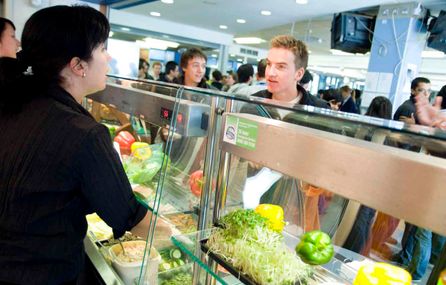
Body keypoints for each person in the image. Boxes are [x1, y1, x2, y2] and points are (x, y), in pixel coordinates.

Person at [0, 6, 161, 284]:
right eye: (102, 49)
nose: (108, 57)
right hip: (44, 273)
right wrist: (188, 239)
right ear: (78, 65)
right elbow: (128, 217)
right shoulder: (84, 133)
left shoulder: (15, 102)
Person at [342, 96, 393, 254]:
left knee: (353, 218)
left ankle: (346, 250)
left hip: (355, 179)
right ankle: (355, 253)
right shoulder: (388, 135)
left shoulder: (363, 127)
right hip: (374, 184)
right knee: (365, 219)